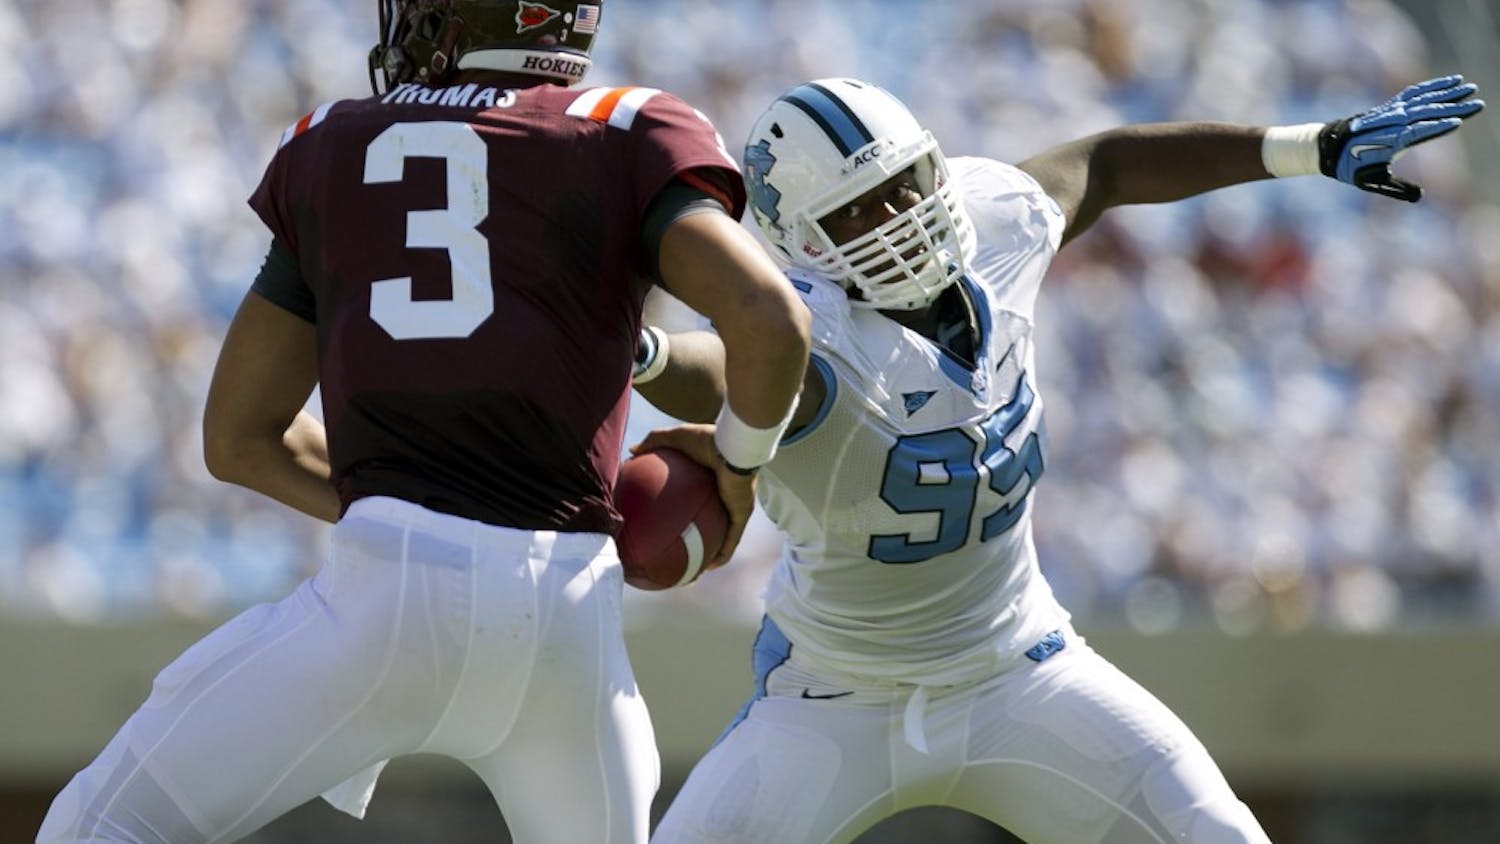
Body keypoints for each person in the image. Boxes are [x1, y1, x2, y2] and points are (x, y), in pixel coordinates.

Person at [633, 75, 1483, 843]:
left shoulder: (994, 224)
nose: (901, 219)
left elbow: (1105, 164)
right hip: (833, 698)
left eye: (904, 187)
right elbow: (731, 361)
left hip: (1018, 668)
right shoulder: (810, 332)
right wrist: (643, 354)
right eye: (857, 211)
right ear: (803, 246)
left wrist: (1307, 147)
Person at [36, 2, 809, 842]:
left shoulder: (332, 141)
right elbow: (770, 320)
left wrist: (425, 508)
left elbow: (239, 439)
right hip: (568, 626)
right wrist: (738, 468)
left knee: (100, 825)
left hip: (387, 595)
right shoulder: (623, 127)